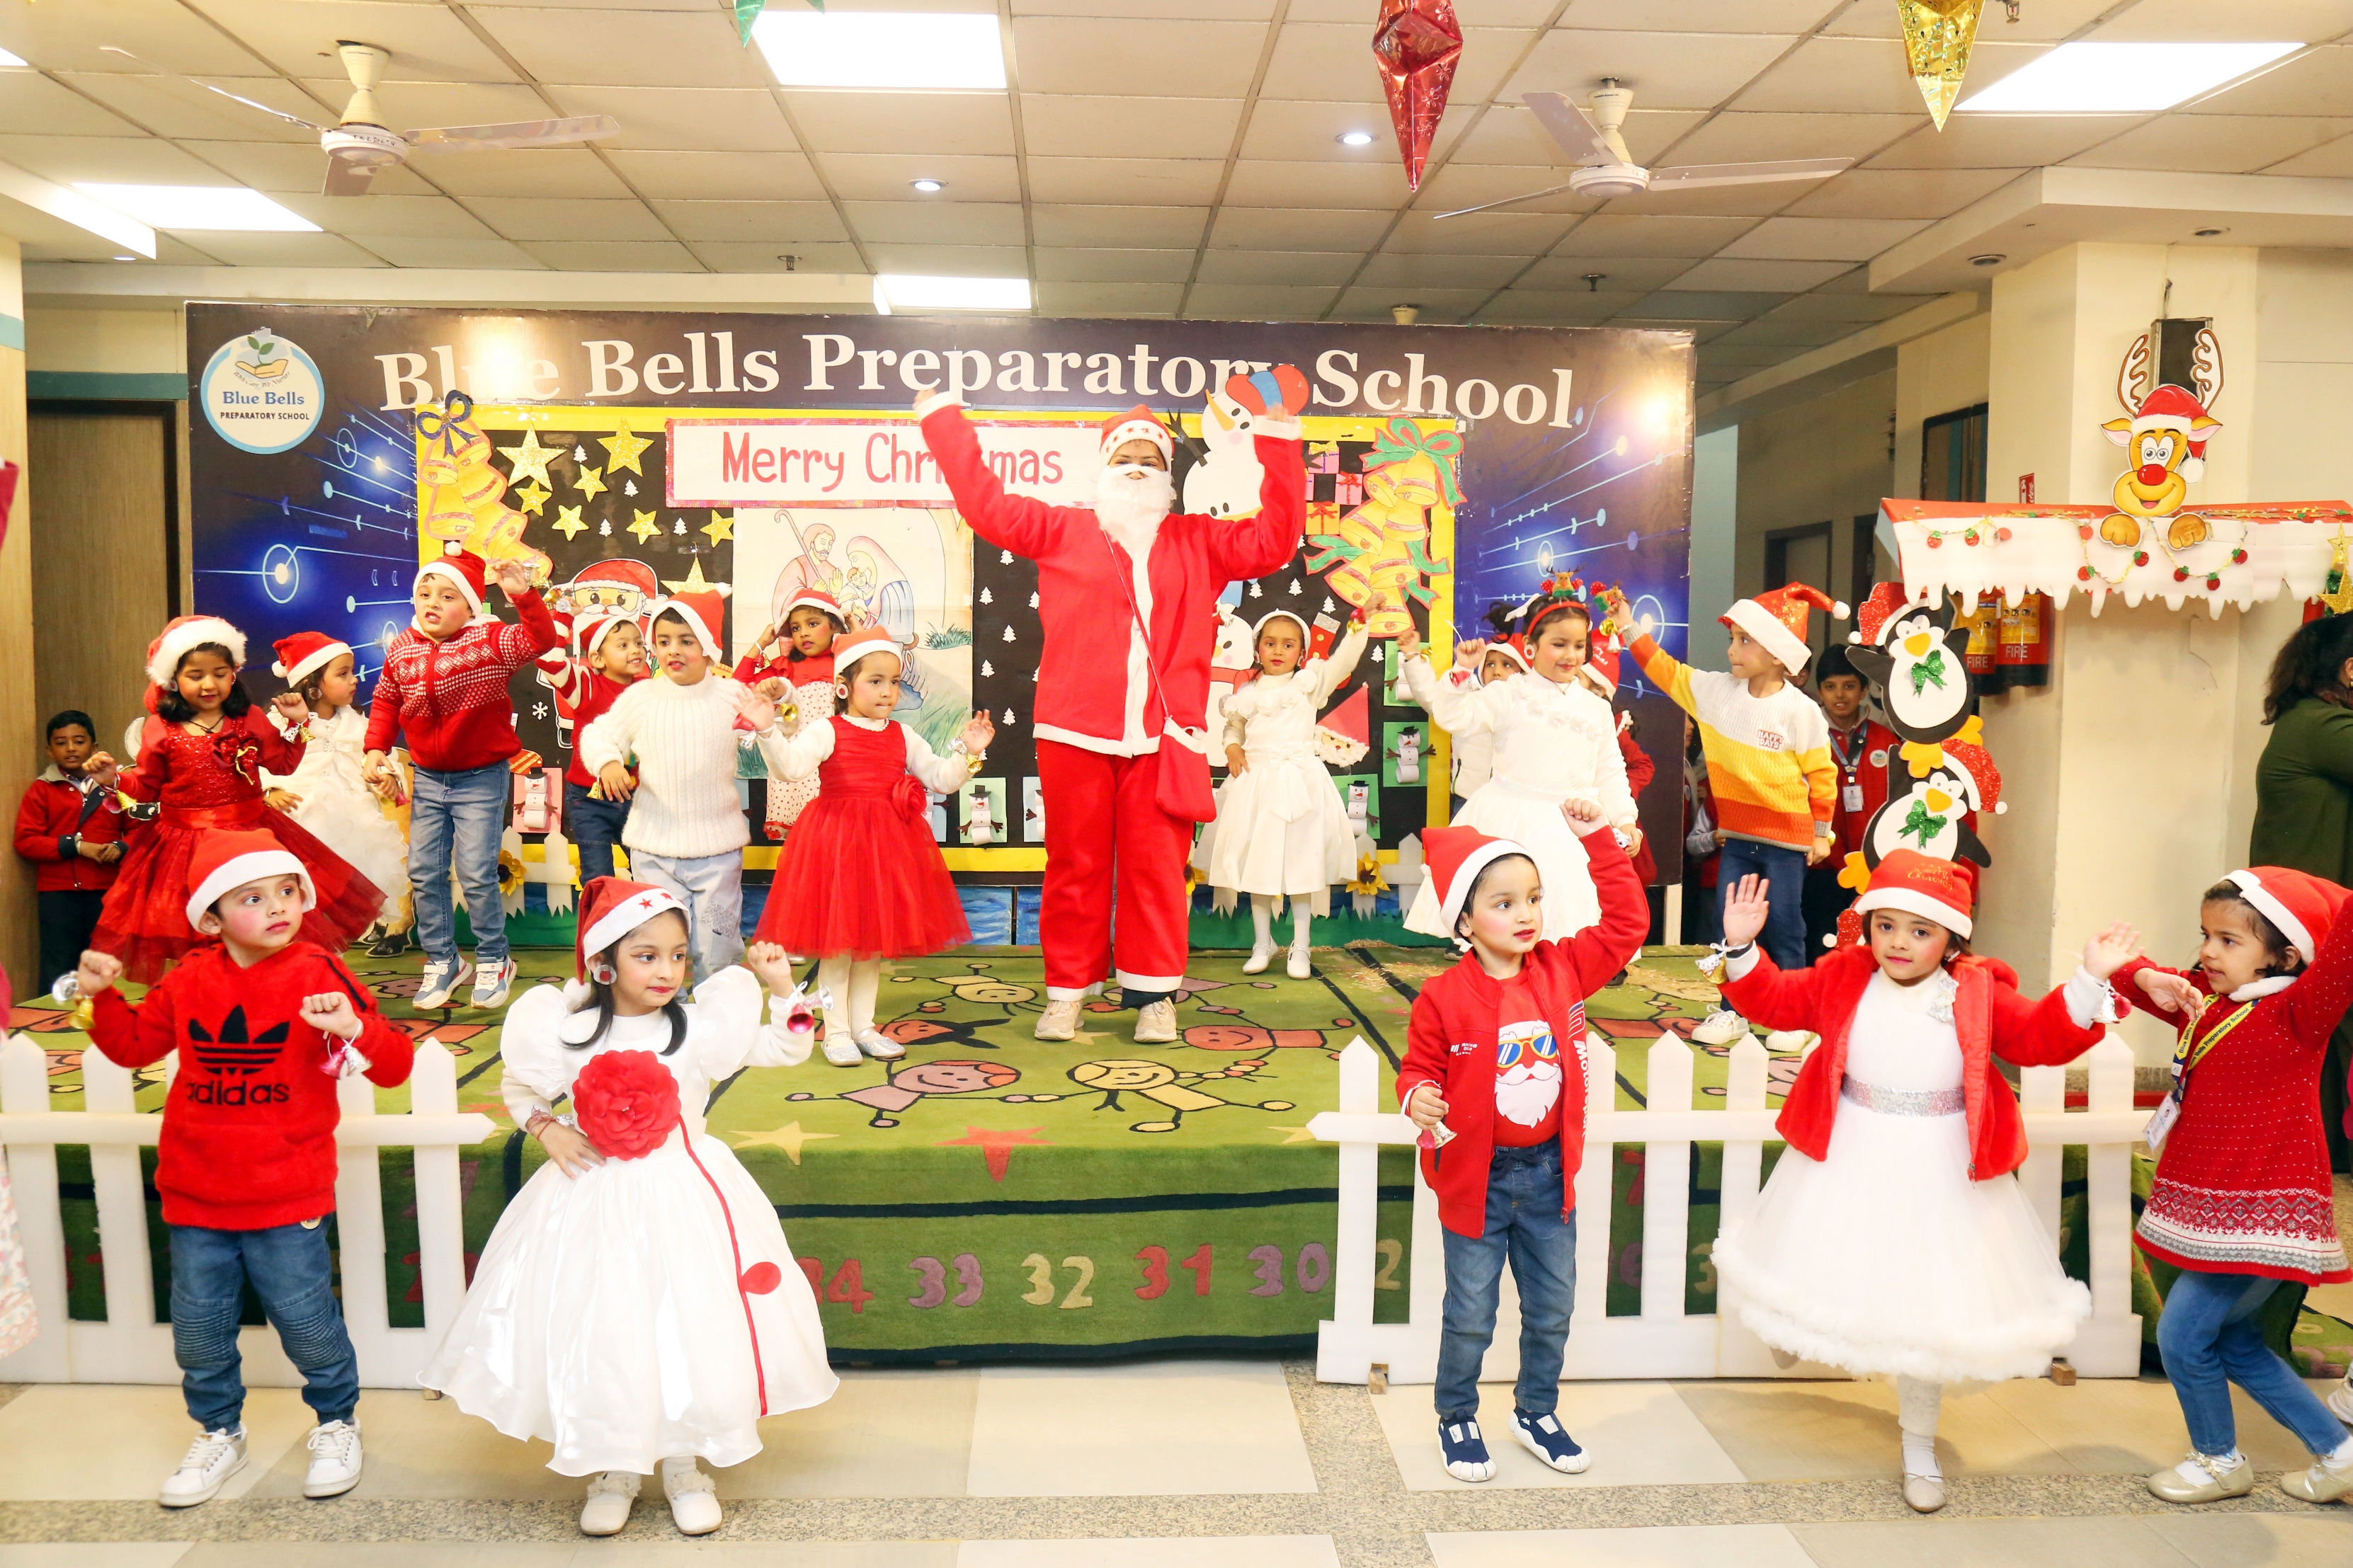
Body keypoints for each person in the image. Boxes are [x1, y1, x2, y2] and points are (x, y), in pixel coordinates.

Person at [1709, 851, 2127, 1513]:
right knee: (1817, 1254)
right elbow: (1777, 1000)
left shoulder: (1977, 990)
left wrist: (2086, 981)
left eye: (1920, 930)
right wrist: (1740, 947)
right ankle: (1793, 1330)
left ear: (1952, 939)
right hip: (1849, 1146)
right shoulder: (1845, 975)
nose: (1899, 942)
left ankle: (1918, 1444)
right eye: (1886, 926)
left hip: (1939, 1165)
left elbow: (2037, 1037)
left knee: (1925, 1309)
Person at [421, 878, 836, 1537]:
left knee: (686, 1323)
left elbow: (787, 1047)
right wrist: (546, 1128)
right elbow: (519, 1083)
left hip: (683, 1197)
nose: (667, 970)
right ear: (604, 962)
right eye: (647, 956)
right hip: (594, 1201)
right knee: (608, 1327)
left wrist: (783, 988)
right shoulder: (570, 1031)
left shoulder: (697, 1030)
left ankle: (684, 1464)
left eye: (677, 955)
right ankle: (613, 1466)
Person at [918, 379, 1305, 1043]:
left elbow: (1274, 539)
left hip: (1166, 736)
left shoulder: (1198, 539)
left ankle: (1155, 995)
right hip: (1073, 728)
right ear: (1103, 467)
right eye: (1124, 456)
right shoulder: (1062, 529)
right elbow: (985, 504)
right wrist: (943, 421)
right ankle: (1068, 991)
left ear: (1168, 475)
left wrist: (1276, 442)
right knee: (1076, 865)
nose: (1136, 467)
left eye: (1150, 459)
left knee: (1157, 870)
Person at [80, 828, 414, 1508]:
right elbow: (133, 1047)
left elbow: (395, 1066)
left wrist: (352, 1027)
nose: (279, 905)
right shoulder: (189, 976)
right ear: (211, 918)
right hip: (196, 1192)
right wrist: (99, 997)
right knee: (200, 1331)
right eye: (253, 897)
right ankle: (219, 1432)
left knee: (307, 1321)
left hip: (288, 1193)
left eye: (287, 890)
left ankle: (336, 1422)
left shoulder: (319, 970)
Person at [1397, 804, 1648, 1482]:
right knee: (1470, 1313)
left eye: (1533, 898)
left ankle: (1536, 1409)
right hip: (1476, 1181)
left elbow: (1628, 925)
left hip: (1547, 1177)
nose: (1525, 913)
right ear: (1464, 921)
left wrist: (1597, 841)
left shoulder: (1562, 968)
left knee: (1551, 1308)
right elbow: (1418, 1067)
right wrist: (1417, 1095)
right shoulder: (1443, 996)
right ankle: (1455, 1414)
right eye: (1503, 903)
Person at [2106, 868, 2353, 1506]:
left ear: (2284, 956)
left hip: (2261, 1214)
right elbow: (2125, 978)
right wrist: (2140, 973)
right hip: (2213, 1210)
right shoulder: (2206, 1003)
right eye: (2204, 935)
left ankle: (2217, 1459)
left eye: (2228, 940)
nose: (2207, 952)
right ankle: (2339, 1454)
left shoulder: (2298, 1012)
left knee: (2182, 1336)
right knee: (2236, 1341)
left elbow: (2345, 952)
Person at [87, 617, 382, 983]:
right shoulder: (160, 727)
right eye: (195, 676)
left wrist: (296, 724)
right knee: (200, 929)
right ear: (173, 679)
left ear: (233, 674)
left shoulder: (249, 718)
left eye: (220, 673)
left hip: (250, 837)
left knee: (258, 920)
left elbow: (282, 765)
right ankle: (211, 995)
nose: (209, 684)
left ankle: (261, 991)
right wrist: (113, 780)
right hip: (186, 845)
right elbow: (145, 786)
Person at [755, 626, 993, 1066]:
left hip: (886, 848)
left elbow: (941, 778)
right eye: (876, 681)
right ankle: (836, 1031)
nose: (888, 691)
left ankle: (863, 1027)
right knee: (838, 947)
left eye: (894, 681)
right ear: (844, 687)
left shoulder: (903, 734)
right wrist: (769, 731)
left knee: (871, 947)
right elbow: (791, 769)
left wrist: (969, 754)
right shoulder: (827, 729)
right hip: (836, 844)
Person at [1607, 582, 1839, 1007]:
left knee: (1785, 927)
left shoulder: (1801, 710)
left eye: (1745, 640)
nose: (1732, 650)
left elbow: (1823, 774)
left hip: (1787, 844)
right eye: (1732, 639)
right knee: (1725, 927)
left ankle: (1792, 1012)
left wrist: (1821, 833)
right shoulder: (1714, 692)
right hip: (1736, 840)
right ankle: (1731, 1010)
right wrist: (1627, 626)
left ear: (1778, 654)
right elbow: (1664, 669)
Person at [365, 544, 562, 1010]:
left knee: (474, 872)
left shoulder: (490, 641)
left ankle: (494, 958)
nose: (432, 602)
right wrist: (375, 748)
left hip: (480, 779)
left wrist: (523, 595)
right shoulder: (403, 647)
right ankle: (443, 960)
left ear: (471, 606)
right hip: (429, 778)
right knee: (424, 871)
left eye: (448, 595)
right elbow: (387, 700)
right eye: (425, 593)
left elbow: (541, 640)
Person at [1401, 580, 1639, 940]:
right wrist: (1463, 670)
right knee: (1503, 914)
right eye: (1559, 644)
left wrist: (1625, 820)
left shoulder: (1597, 709)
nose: (1570, 655)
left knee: (1566, 921)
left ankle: (1560, 972)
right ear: (1531, 646)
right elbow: (1454, 718)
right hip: (1508, 820)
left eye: (1578, 646)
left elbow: (1609, 773)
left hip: (1573, 828)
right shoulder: (1509, 694)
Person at [581, 588, 785, 985]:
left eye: (686, 641)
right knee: (658, 943)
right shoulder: (641, 698)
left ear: (709, 648)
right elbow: (597, 734)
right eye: (663, 641)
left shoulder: (733, 696)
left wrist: (782, 698)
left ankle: (716, 1006)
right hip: (653, 850)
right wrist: (608, 761)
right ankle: (664, 1009)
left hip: (718, 852)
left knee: (718, 944)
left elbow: (780, 728)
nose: (673, 650)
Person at [1193, 602, 1372, 978]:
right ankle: (1263, 942)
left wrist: (1359, 624)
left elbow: (1343, 661)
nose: (1278, 651)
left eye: (1288, 645)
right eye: (1270, 643)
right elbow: (1234, 726)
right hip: (1256, 785)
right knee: (1258, 864)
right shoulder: (1247, 691)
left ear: (1302, 652)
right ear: (1257, 648)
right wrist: (1232, 746)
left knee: (1301, 866)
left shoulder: (1308, 685)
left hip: (1299, 783)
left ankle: (1301, 945)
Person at [261, 634, 413, 957]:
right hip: (303, 823)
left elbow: (379, 756)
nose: (354, 680)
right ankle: (301, 956)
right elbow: (260, 761)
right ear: (313, 684)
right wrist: (269, 790)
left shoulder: (357, 724)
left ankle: (327, 961)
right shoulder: (281, 723)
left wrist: (388, 778)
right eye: (343, 674)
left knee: (346, 893)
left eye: (352, 672)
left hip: (351, 824)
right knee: (304, 892)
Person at [16, 709, 125, 994]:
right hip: (58, 895)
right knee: (58, 964)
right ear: (49, 750)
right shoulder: (42, 790)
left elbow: (142, 831)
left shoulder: (115, 786)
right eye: (61, 743)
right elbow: (26, 841)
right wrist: (75, 846)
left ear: (94, 746)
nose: (71, 749)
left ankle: (105, 1016)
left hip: (106, 891)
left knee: (105, 962)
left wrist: (120, 847)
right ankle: (53, 1018)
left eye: (79, 741)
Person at [1803, 645, 1897, 958]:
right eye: (1830, 687)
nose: (1840, 695)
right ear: (1820, 692)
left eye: (1849, 686)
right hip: (1820, 865)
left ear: (1864, 690)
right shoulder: (1807, 739)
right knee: (1820, 946)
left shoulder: (1886, 740)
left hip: (1874, 866)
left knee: (1870, 948)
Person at [736, 588, 848, 844]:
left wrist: (856, 632)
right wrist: (761, 643)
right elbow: (739, 685)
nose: (803, 633)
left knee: (835, 834)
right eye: (796, 628)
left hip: (835, 758)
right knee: (804, 839)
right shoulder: (785, 667)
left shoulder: (846, 665)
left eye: (812, 624)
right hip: (796, 758)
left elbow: (878, 669)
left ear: (834, 626)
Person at [548, 609, 648, 887]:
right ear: (597, 659)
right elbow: (549, 662)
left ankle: (649, 915)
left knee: (649, 871)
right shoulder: (586, 685)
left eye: (639, 643)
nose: (635, 650)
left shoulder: (647, 690)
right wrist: (564, 616)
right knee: (597, 875)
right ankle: (598, 914)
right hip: (589, 799)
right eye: (623, 645)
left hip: (637, 798)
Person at [1447, 641, 1525, 802]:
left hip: (1510, 801)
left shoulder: (1530, 709)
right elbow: (1436, 704)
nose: (1497, 672)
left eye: (1507, 665)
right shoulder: (1469, 702)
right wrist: (1413, 661)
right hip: (1468, 797)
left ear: (1522, 671)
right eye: (1490, 664)